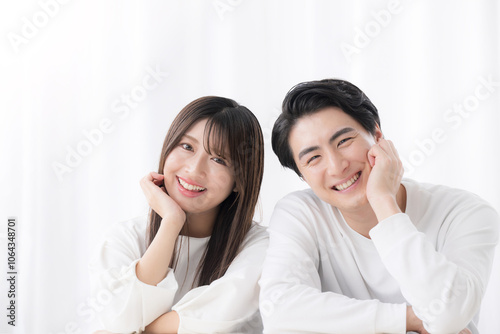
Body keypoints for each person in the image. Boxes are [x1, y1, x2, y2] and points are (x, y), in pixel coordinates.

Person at [259, 79, 499, 334]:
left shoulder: (465, 212)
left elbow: (447, 316)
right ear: (303, 176)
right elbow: (280, 311)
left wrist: (383, 201)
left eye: (343, 141)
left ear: (377, 135)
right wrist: (408, 319)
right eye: (314, 158)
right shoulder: (300, 214)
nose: (336, 166)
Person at [89, 96, 267, 334]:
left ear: (239, 180)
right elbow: (119, 319)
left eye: (218, 159)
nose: (194, 169)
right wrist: (171, 222)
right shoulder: (124, 238)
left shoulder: (259, 246)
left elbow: (218, 315)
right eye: (187, 147)